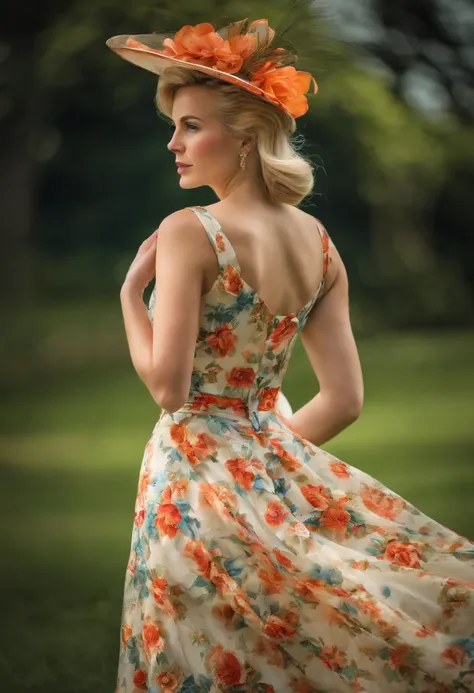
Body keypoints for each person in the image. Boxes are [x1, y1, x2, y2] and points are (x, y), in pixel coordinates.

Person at [107, 17, 474, 693]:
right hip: (262, 464)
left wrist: (132, 295)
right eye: (175, 125)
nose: (173, 143)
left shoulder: (189, 232)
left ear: (244, 136)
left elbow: (168, 388)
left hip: (188, 479)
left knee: (203, 654)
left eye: (191, 126)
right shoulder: (319, 241)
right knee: (285, 652)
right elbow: (344, 400)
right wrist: (261, 456)